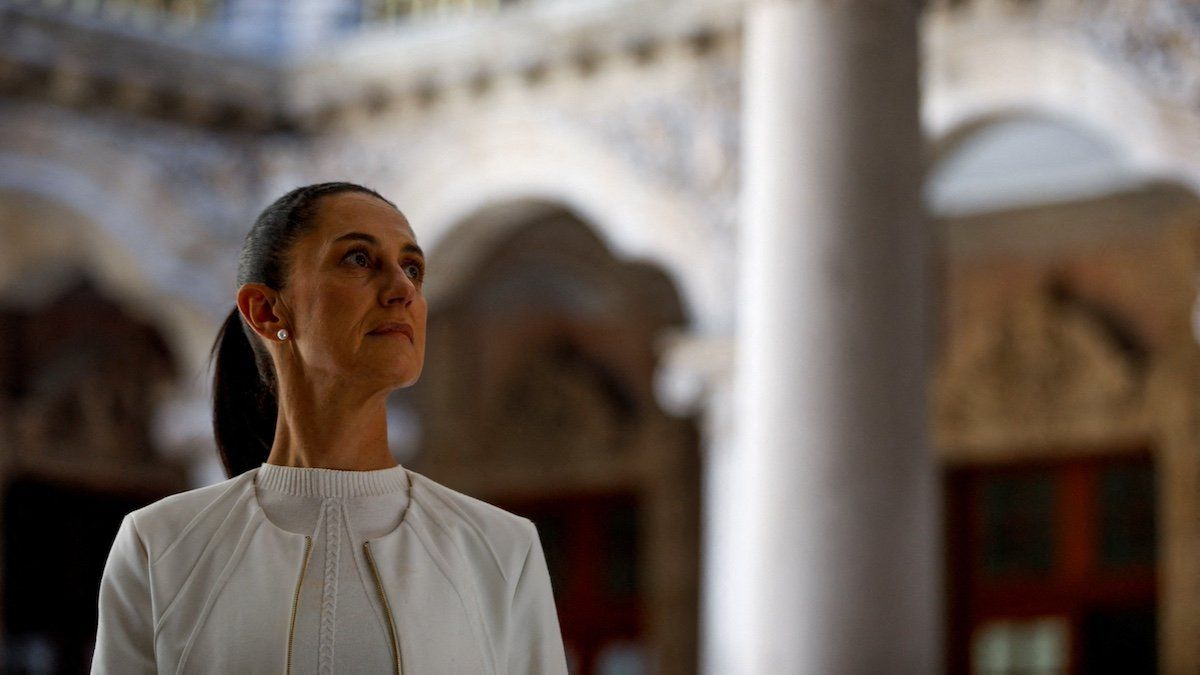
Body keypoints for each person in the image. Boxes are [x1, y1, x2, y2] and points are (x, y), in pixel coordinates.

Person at [91, 182, 569, 674]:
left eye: (413, 268)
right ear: (266, 310)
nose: (403, 289)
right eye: (358, 259)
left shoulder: (500, 549)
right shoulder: (161, 544)